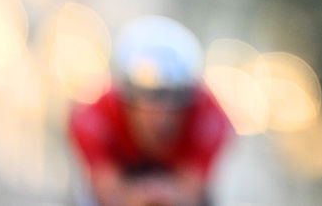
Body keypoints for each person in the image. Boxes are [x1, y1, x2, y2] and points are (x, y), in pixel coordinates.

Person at [68, 15, 233, 206]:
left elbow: (191, 193)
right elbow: (107, 193)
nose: (161, 118)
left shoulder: (210, 119)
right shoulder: (92, 117)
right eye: (149, 101)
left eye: (173, 103)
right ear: (125, 101)